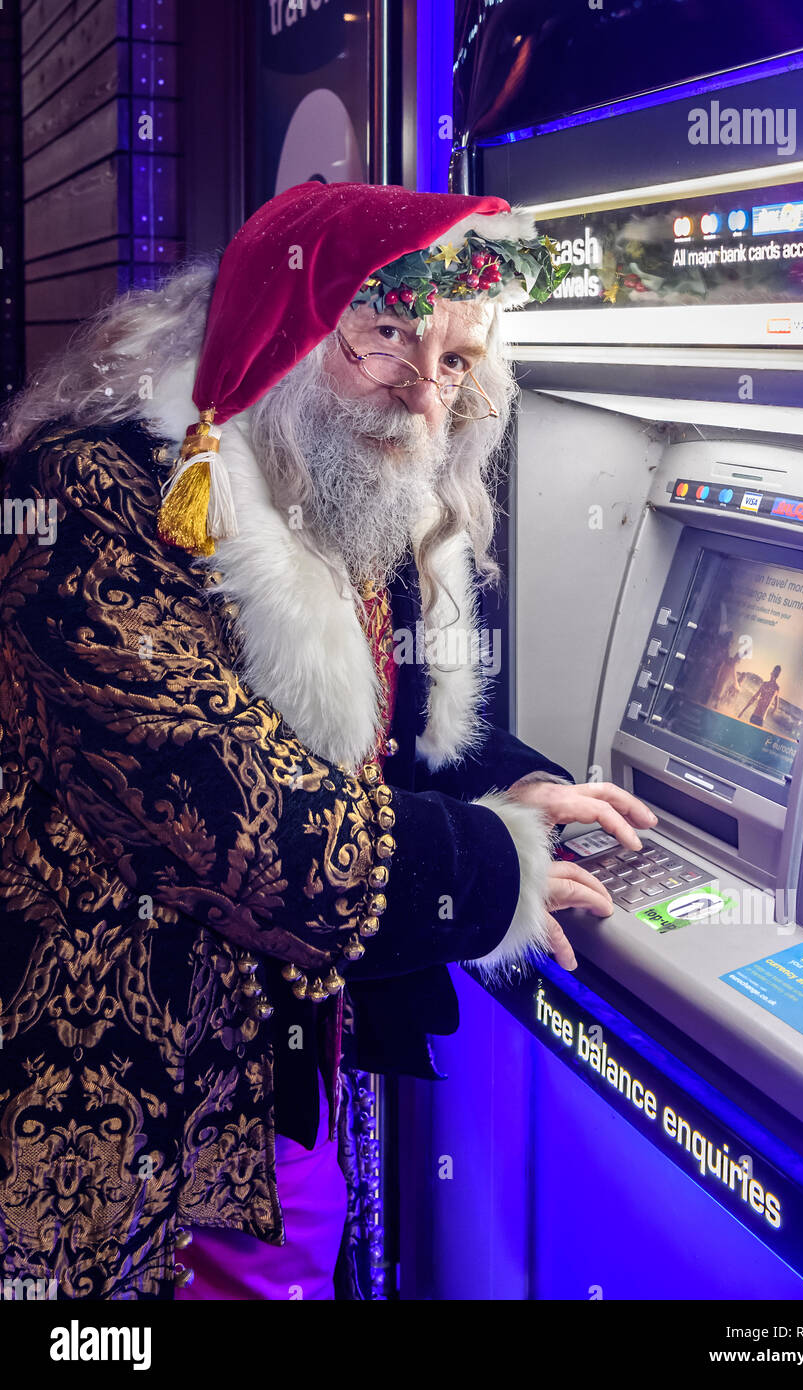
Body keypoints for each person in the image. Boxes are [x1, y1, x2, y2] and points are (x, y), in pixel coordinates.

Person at [0, 182, 656, 1301]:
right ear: (281, 318)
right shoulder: (91, 496)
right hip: (122, 1108)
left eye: (455, 362)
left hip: (279, 1087)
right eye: (387, 329)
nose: (420, 391)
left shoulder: (327, 473)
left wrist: (524, 787)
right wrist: (497, 866)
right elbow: (243, 821)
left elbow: (380, 738)